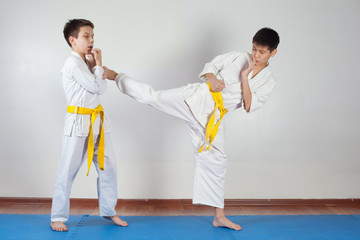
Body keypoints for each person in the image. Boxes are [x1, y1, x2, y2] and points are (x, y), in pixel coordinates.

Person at [104, 27, 279, 230]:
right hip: (197, 99)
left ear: (273, 53)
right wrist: (212, 79)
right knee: (154, 97)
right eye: (254, 49)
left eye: (262, 52)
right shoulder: (238, 56)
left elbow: (249, 105)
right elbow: (211, 66)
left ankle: (218, 216)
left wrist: (244, 77)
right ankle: (116, 76)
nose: (256, 55)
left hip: (214, 118)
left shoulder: (268, 81)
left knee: (218, 161)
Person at [50, 19, 128, 232]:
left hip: (98, 121)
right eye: (86, 36)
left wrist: (97, 67)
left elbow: (99, 85)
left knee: (108, 167)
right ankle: (57, 216)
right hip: (77, 121)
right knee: (68, 169)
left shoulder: (87, 63)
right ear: (72, 40)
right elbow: (98, 87)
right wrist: (99, 64)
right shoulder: (73, 63)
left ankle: (109, 210)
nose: (91, 40)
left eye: (93, 36)